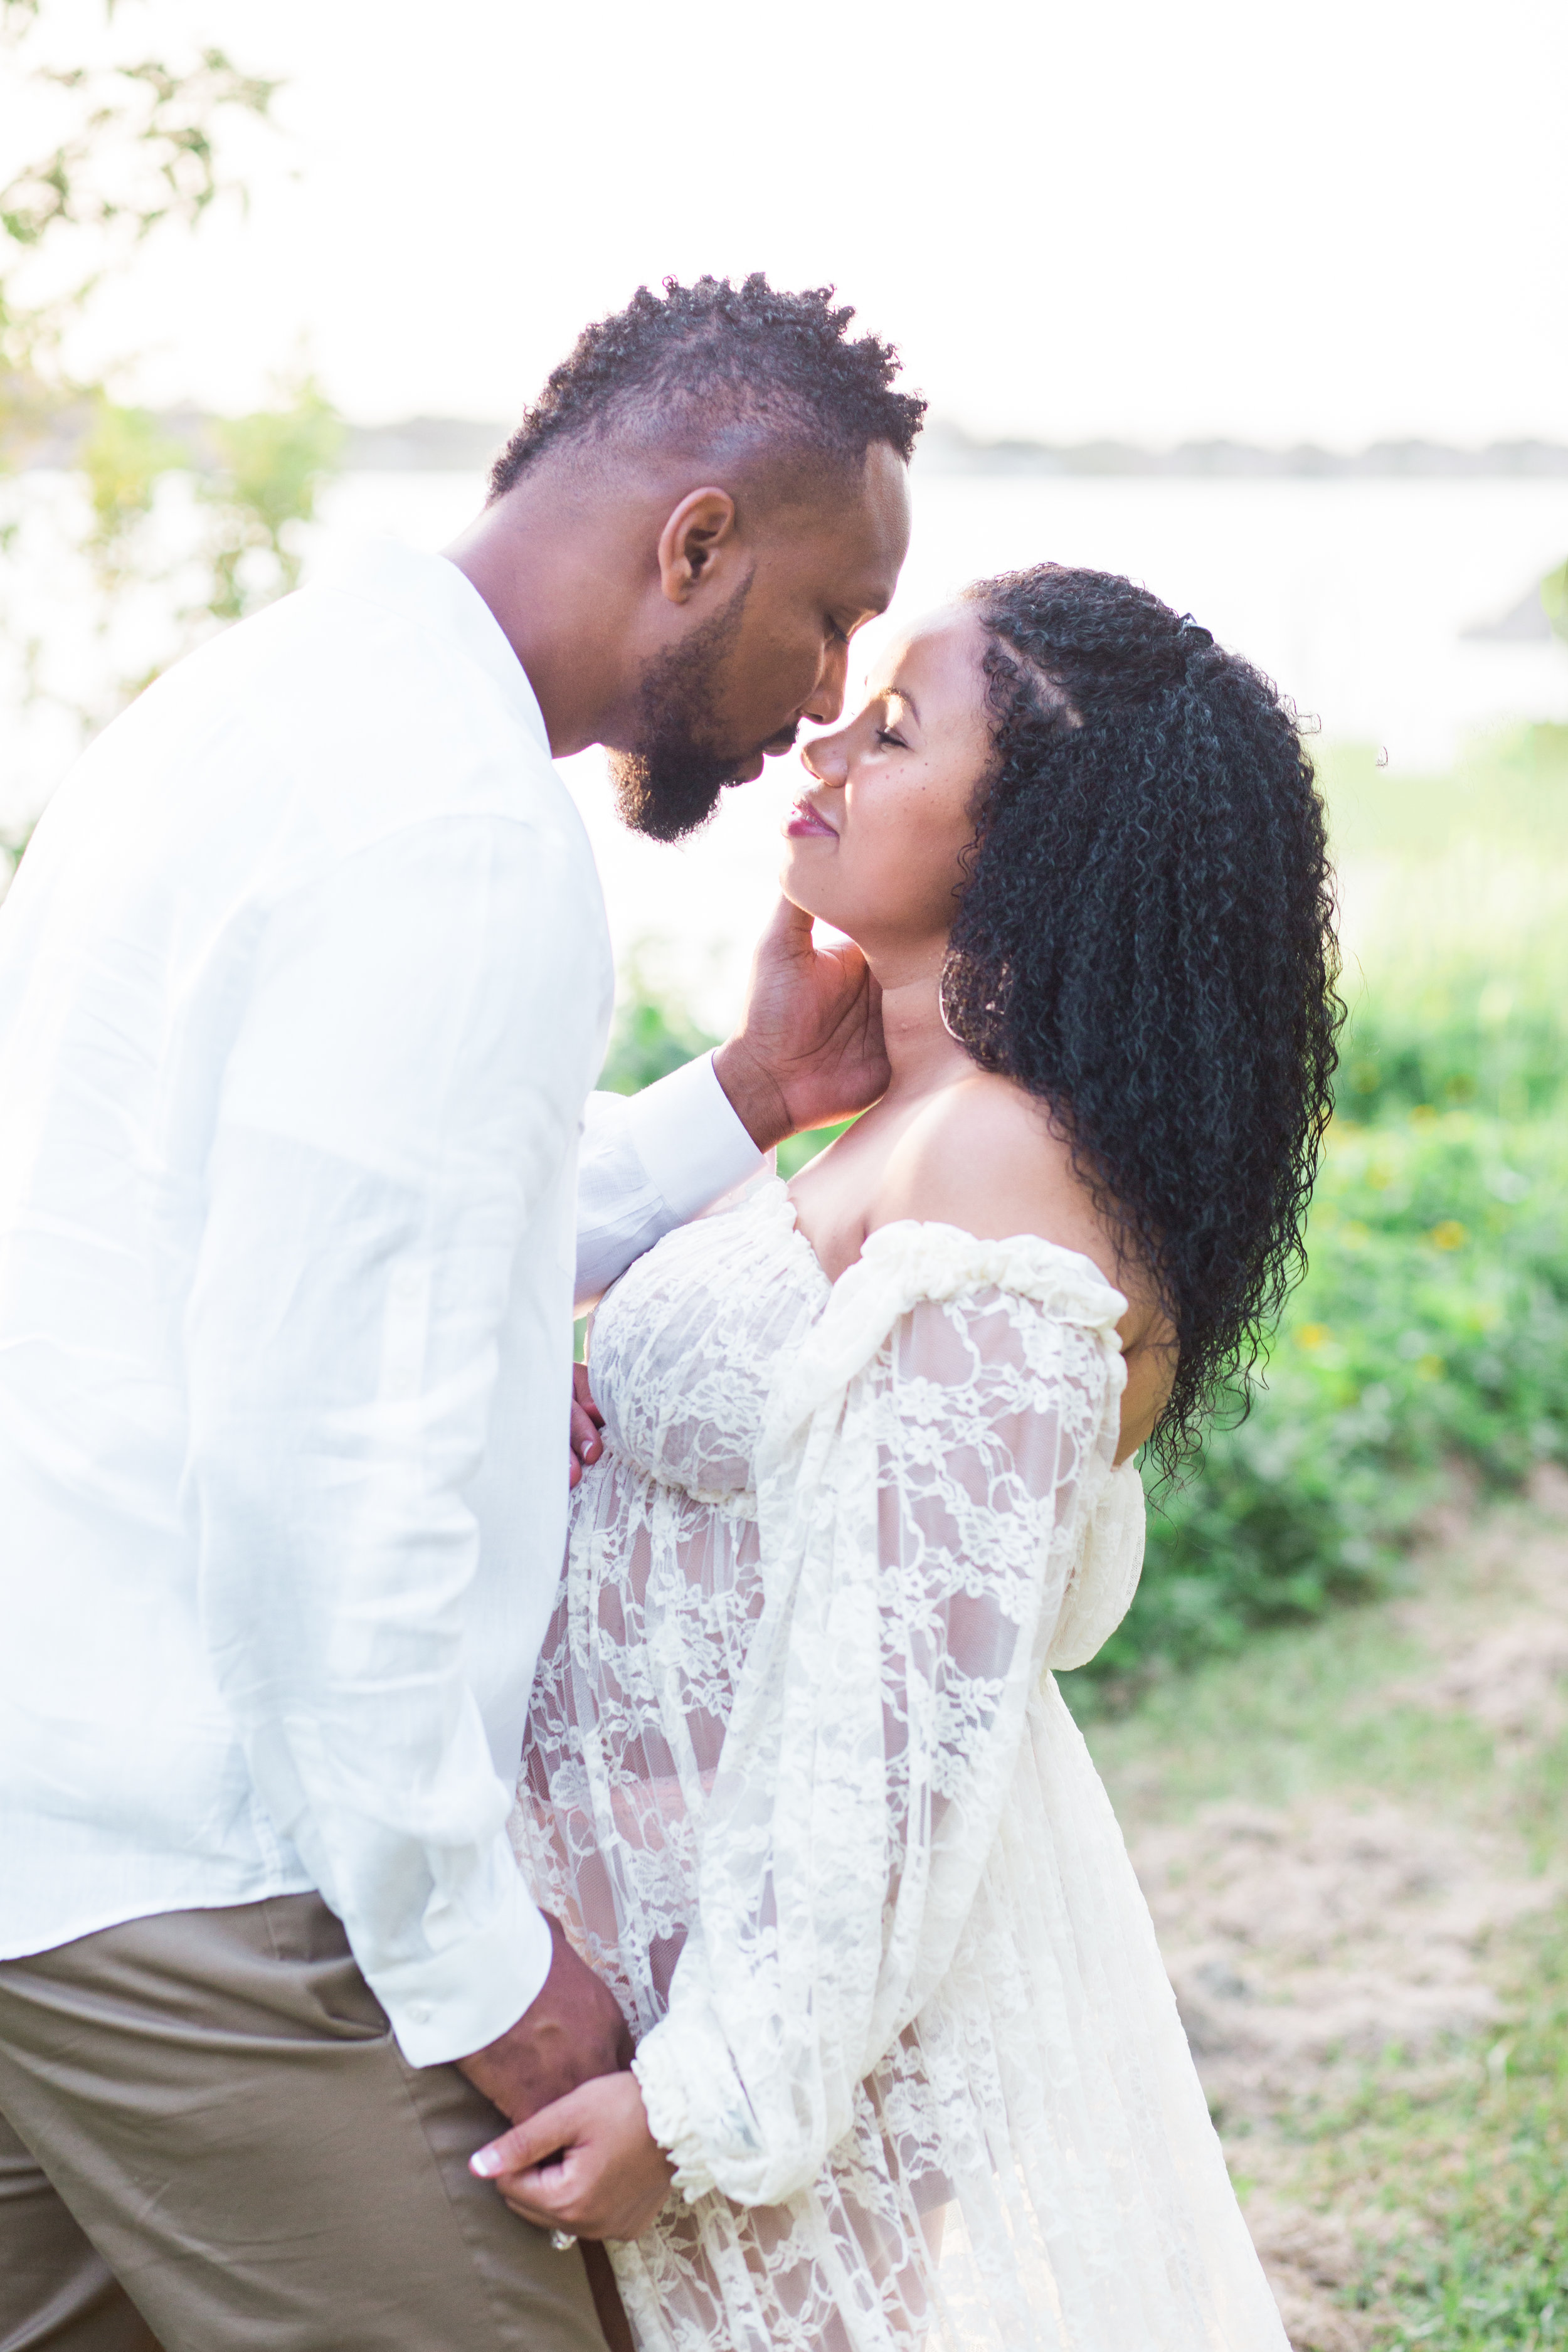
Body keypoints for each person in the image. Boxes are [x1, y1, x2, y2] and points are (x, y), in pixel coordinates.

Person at [0, 276, 921, 2352]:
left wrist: (750, 1100)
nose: (822, 692)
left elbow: (333, 1250)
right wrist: (481, 1967)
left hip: (46, 1832)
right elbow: (322, 1462)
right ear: (694, 543)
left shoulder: (254, 706)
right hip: (208, 1889)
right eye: (825, 613)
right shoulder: (460, 837)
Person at [482, 567, 1341, 2349]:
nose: (821, 744)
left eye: (892, 731)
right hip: (647, 1956)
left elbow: (902, 1716)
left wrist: (707, 2096)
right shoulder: (896, 1122)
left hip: (762, 2032)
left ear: (1038, 838)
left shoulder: (999, 1171)